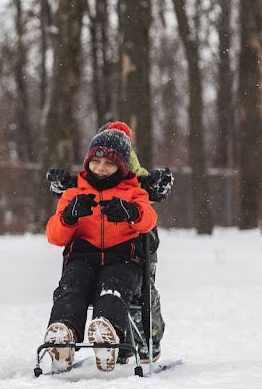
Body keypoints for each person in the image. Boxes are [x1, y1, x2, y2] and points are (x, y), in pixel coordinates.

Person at [46, 121, 173, 362]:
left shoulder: (134, 192)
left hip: (122, 258)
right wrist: (69, 216)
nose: (100, 168)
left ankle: (109, 334)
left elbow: (148, 219)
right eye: (96, 161)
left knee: (112, 289)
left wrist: (131, 212)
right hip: (82, 258)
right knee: (71, 288)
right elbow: (54, 236)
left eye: (109, 163)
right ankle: (63, 334)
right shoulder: (74, 193)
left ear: (122, 167)